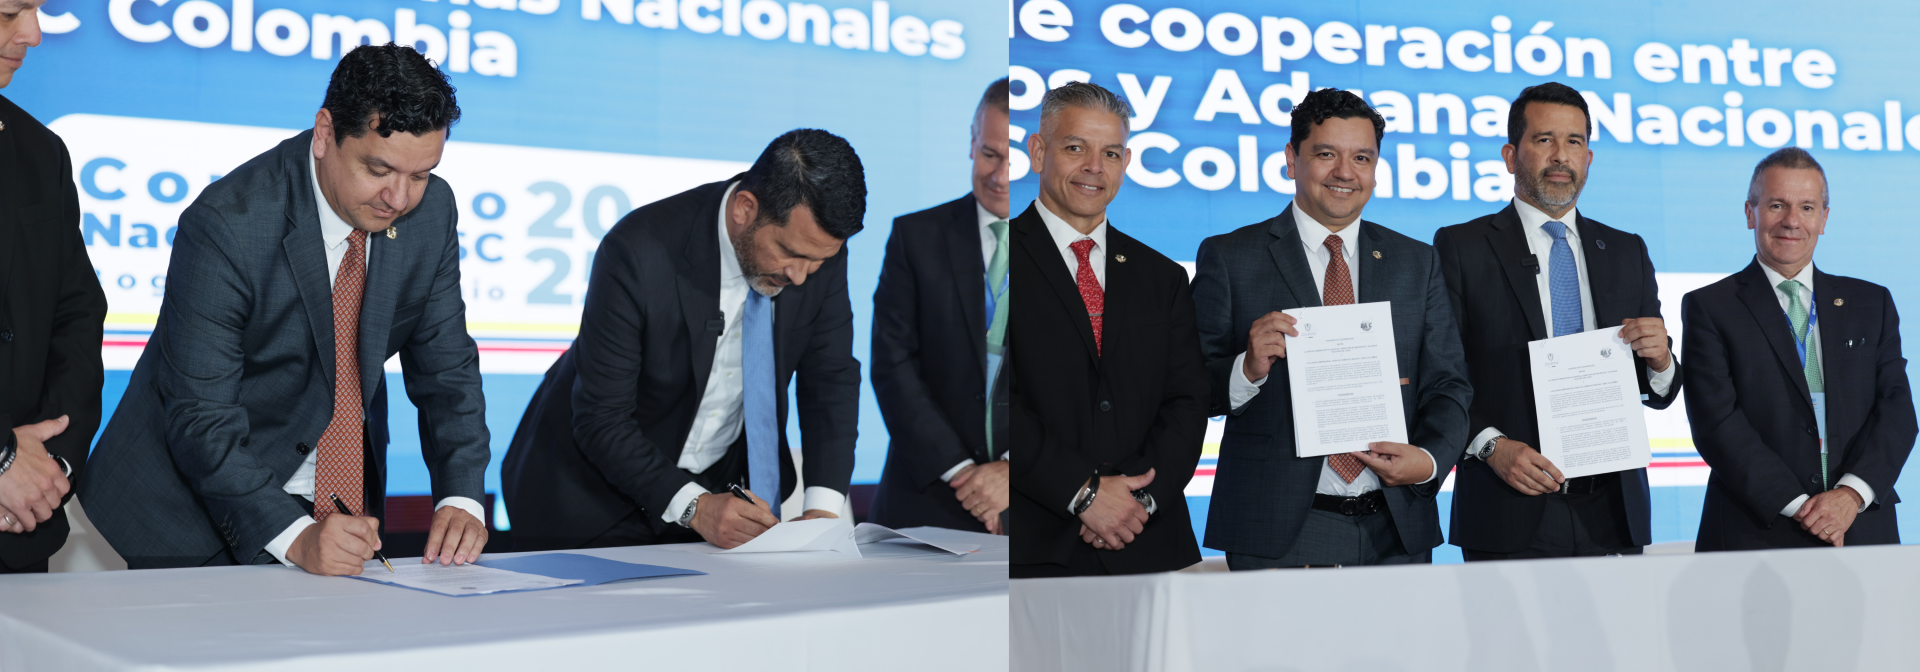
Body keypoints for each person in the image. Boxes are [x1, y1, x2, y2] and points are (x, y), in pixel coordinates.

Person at [83, 44, 490, 574]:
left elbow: (448, 367)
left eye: (420, 175)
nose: (399, 199)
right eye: (379, 169)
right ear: (325, 134)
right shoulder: (228, 224)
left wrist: (461, 497)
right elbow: (202, 418)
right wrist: (295, 537)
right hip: (180, 518)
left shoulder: (432, 211)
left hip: (337, 510)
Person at [502, 129, 865, 551]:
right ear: (745, 209)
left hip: (716, 499)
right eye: (790, 253)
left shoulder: (814, 251)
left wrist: (822, 507)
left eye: (818, 260)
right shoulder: (639, 250)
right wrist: (696, 507)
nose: (800, 275)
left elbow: (831, 380)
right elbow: (602, 418)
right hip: (586, 500)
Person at [1192, 89, 1472, 569]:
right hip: (1278, 531)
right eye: (1326, 154)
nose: (1345, 172)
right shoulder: (1231, 257)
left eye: (1362, 157)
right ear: (1290, 159)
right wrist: (1247, 368)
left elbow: (1449, 385)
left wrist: (1427, 461)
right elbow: (1189, 386)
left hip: (1396, 529)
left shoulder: (1416, 262)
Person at [1433, 82, 1682, 561]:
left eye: (1575, 142)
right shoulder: (1462, 248)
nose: (1561, 156)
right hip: (1509, 507)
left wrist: (1661, 359)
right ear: (1511, 155)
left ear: (1589, 157)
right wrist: (1491, 447)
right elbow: (1441, 377)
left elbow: (1660, 391)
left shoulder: (1627, 250)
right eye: (1545, 140)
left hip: (1612, 512)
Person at [1009, 81, 1207, 578]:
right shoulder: (990, 261)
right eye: (1076, 147)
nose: (1095, 167)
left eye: (1111, 152)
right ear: (1038, 152)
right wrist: (1084, 495)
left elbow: (1186, 402)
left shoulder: (1162, 276)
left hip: (1150, 543)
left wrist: (1138, 502)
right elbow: (990, 401)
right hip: (1037, 542)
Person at [1684, 147, 1913, 551]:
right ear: (1750, 212)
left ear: (1824, 218)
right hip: (1756, 529)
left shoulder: (1871, 303)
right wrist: (1804, 509)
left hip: (1860, 527)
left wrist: (1849, 497)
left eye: (1807, 207)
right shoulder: (1710, 307)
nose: (1792, 221)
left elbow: (1897, 411)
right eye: (1776, 205)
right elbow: (1716, 423)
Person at [869, 78, 1011, 534]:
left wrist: (1012, 470)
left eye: (1014, 160)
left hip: (1038, 502)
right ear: (971, 143)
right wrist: (962, 474)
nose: (1000, 176)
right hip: (927, 497)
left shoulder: (1075, 252)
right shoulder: (916, 237)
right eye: (990, 154)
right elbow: (892, 365)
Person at [0, 0, 109, 574]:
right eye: (8, 13)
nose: (33, 34)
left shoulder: (42, 152)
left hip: (20, 531)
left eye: (36, 10)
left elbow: (77, 315)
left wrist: (51, 468)